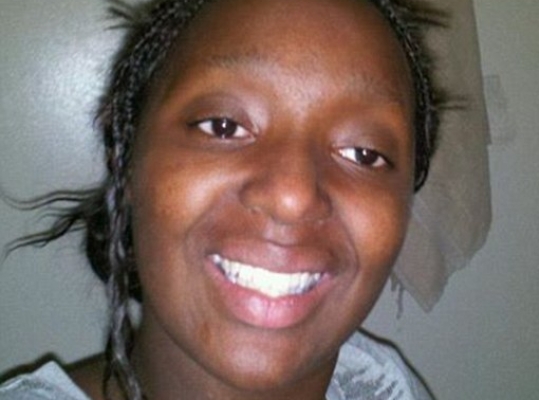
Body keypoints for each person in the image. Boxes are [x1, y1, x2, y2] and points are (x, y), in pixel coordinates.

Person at [0, 0, 446, 398]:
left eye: (364, 154)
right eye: (223, 127)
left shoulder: (381, 385)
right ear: (125, 153)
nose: (292, 196)